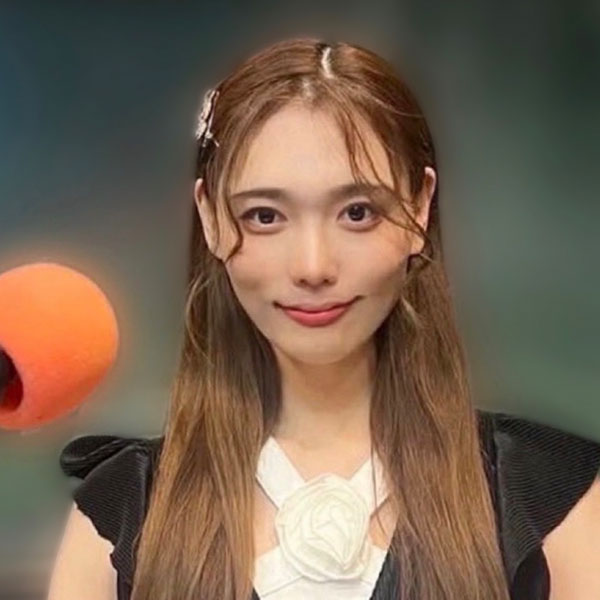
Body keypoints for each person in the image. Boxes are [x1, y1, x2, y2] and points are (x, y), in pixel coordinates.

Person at [47, 37, 600, 600]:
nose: (313, 266)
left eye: (357, 212)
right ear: (210, 217)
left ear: (419, 207)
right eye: (265, 216)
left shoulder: (543, 497)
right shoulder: (121, 514)